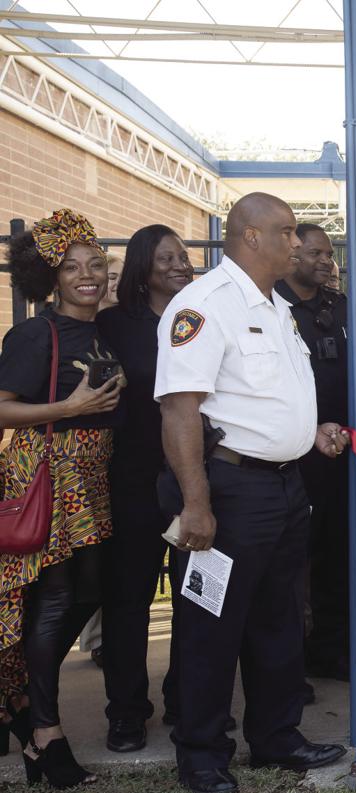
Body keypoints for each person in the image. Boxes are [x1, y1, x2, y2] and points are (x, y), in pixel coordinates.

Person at [156, 193, 349, 793]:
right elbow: (181, 410)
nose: (297, 243)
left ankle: (275, 738)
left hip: (285, 487)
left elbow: (261, 396)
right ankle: (203, 753)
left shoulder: (276, 306)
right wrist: (197, 503)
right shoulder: (204, 306)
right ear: (250, 237)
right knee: (211, 627)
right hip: (230, 490)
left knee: (278, 622)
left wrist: (305, 431)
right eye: (287, 233)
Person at [0, 209, 123, 788]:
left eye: (95, 264)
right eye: (71, 267)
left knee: (89, 593)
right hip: (48, 474)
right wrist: (66, 410)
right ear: (51, 277)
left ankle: (21, 695)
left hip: (94, 478)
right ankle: (44, 732)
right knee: (53, 600)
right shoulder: (34, 334)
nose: (86, 275)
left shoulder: (109, 329)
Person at [95, 224, 193, 753]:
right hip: (133, 480)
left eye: (182, 256)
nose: (180, 264)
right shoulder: (113, 325)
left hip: (193, 479)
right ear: (142, 267)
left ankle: (186, 702)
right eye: (166, 258)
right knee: (129, 601)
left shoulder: (201, 320)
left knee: (193, 597)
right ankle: (127, 712)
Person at [274, 224, 352, 682]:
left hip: (341, 452)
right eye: (317, 253)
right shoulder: (274, 306)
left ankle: (333, 650)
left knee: (337, 554)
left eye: (330, 254)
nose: (326, 261)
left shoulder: (340, 306)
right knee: (290, 564)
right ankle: (290, 664)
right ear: (293, 252)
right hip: (293, 455)